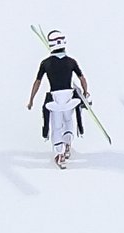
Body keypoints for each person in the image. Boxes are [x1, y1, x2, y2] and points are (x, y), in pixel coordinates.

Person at [25, 29, 89, 168]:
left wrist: (31, 99)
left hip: (55, 99)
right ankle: (67, 145)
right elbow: (82, 78)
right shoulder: (71, 61)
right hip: (69, 98)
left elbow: (37, 82)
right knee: (68, 120)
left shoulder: (45, 63)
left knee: (56, 126)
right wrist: (85, 93)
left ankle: (60, 154)